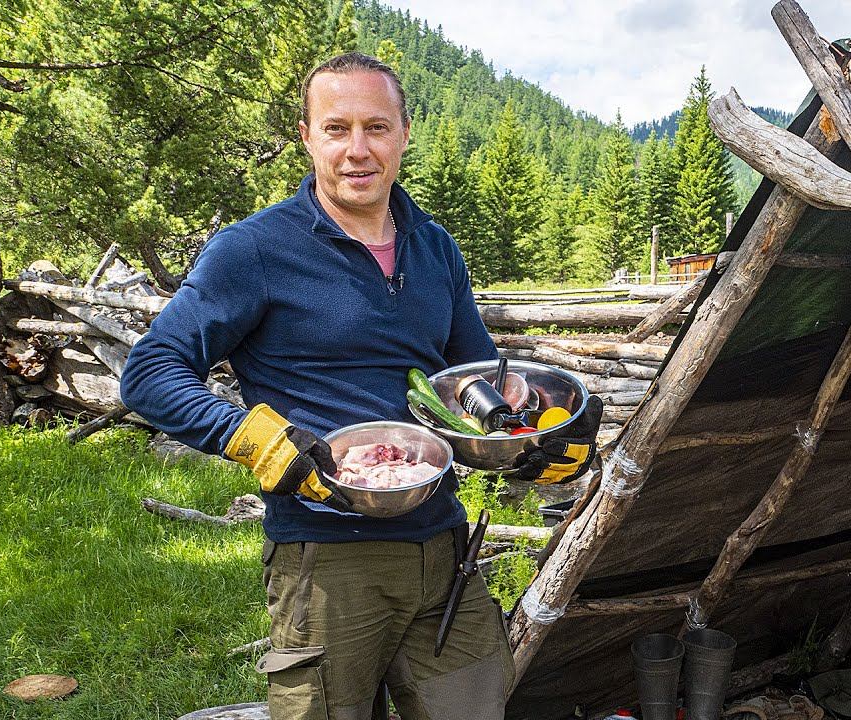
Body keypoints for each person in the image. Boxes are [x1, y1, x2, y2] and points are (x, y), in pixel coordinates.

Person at [121, 52, 599, 720]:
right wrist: (259, 441)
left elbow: (473, 386)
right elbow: (149, 372)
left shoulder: (435, 249)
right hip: (327, 559)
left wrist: (539, 437)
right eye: (336, 128)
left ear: (404, 133)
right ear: (307, 136)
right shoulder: (254, 250)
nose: (356, 149)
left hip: (443, 553)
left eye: (375, 127)